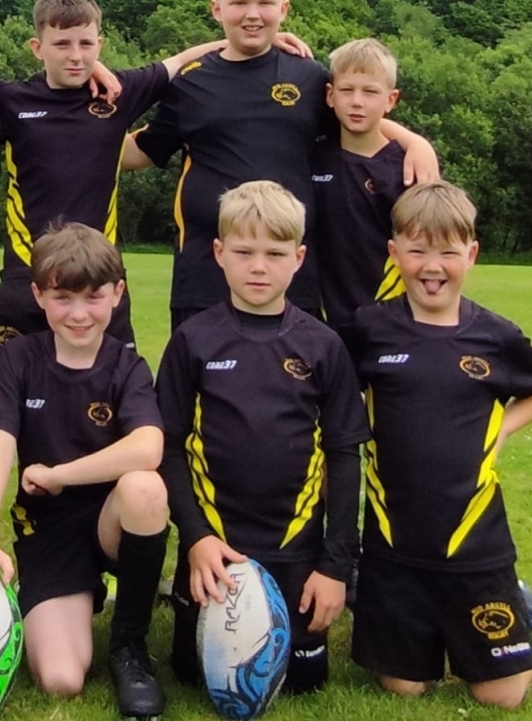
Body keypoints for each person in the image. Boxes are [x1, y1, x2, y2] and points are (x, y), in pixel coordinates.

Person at [0, 0, 311, 362]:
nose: (75, 55)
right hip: (27, 276)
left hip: (102, 279)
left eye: (86, 44)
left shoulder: (118, 94)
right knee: (16, 395)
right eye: (62, 44)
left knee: (110, 391)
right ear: (37, 47)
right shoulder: (10, 100)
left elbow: (178, 62)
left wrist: (259, 38)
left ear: (100, 43)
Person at [123, 0, 439, 329]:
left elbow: (356, 119)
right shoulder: (191, 81)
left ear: (284, 8)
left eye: (264, 3)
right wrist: (69, 143)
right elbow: (142, 149)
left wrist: (414, 141)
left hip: (293, 283)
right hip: (205, 280)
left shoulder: (307, 77)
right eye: (239, 2)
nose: (252, 14)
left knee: (292, 385)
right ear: (216, 9)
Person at [347, 181, 532, 709]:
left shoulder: (496, 335)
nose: (432, 265)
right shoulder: (370, 329)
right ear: (394, 254)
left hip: (474, 539)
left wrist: (501, 431)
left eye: (447, 251)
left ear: (471, 254)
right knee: (404, 686)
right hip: (393, 540)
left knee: (501, 698)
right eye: (417, 250)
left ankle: (516, 604)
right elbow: (337, 397)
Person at [0, 223, 170, 720]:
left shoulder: (127, 365)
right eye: (63, 297)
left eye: (93, 297)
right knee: (62, 679)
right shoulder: (20, 357)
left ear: (118, 293)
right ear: (38, 295)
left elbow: (148, 446)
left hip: (112, 520)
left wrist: (63, 473)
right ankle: (71, 594)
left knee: (145, 489)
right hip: (48, 530)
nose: (79, 313)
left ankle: (129, 647)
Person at [156, 180, 370, 694]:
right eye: (244, 252)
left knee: (302, 681)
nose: (258, 266)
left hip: (296, 549)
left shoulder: (322, 345)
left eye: (274, 254)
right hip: (215, 550)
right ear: (219, 253)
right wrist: (196, 537)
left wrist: (334, 566)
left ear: (298, 258)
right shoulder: (194, 340)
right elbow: (168, 446)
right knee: (194, 673)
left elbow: (344, 455)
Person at [313, 38, 407, 340]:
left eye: (370, 92)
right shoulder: (310, 156)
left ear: (390, 100)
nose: (357, 101)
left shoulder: (406, 169)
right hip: (317, 321)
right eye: (347, 90)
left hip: (385, 321)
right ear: (330, 96)